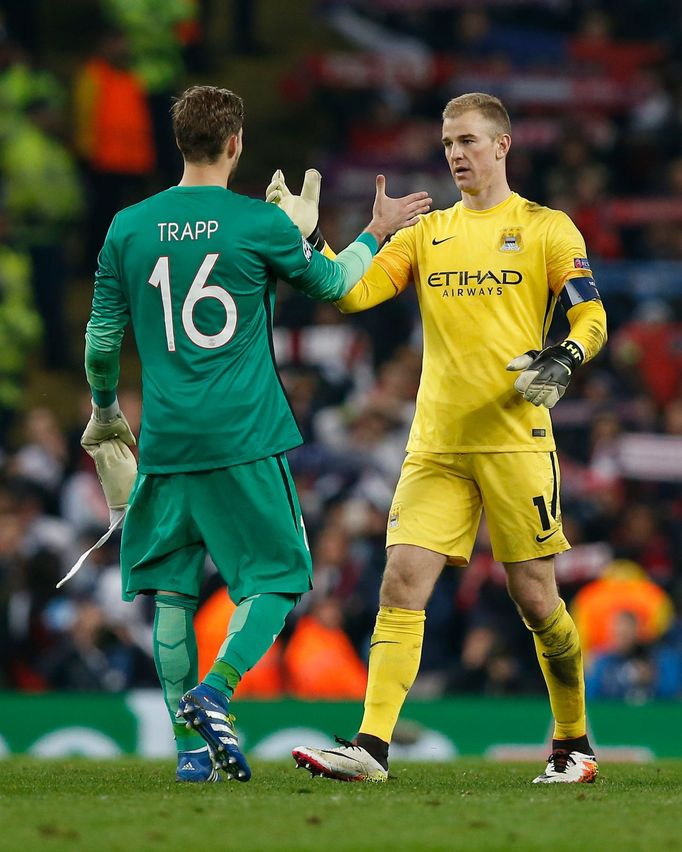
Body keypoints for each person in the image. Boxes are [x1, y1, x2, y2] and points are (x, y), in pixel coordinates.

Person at [78, 84, 431, 783]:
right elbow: (333, 285)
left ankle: (190, 754)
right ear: (236, 143)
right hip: (243, 435)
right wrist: (374, 232)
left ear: (178, 142)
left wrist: (105, 409)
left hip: (167, 441)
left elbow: (100, 342)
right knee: (278, 577)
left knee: (174, 593)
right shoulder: (258, 224)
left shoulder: (127, 226)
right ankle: (216, 692)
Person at [270, 92, 607, 784]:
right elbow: (347, 293)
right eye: (448, 141)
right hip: (436, 446)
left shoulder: (547, 229)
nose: (456, 153)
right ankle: (371, 748)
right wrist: (309, 243)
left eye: (470, 140)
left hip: (515, 442)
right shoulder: (428, 233)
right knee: (400, 581)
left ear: (503, 145)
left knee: (537, 601)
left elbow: (591, 319)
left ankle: (573, 743)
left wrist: (563, 359)